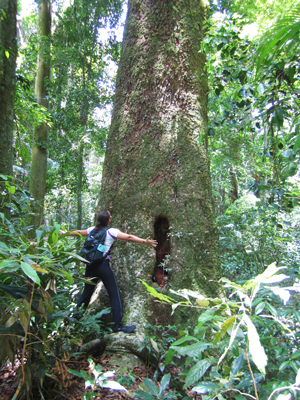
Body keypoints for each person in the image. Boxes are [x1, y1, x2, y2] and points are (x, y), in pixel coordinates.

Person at [61, 211, 158, 334]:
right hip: (103, 266)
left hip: (90, 266)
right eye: (110, 216)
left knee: (86, 294)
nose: (111, 217)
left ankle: (73, 322)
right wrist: (145, 241)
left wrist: (65, 233)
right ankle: (118, 325)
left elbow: (79, 233)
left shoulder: (92, 230)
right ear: (108, 220)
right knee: (114, 294)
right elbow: (128, 237)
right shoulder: (111, 232)